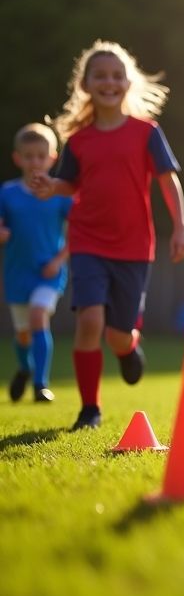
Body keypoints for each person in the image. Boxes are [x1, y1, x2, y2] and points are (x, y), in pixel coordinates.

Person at [32, 40, 184, 431]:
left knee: (118, 335)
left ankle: (128, 348)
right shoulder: (80, 140)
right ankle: (90, 409)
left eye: (117, 75)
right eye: (100, 76)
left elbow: (168, 181)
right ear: (85, 84)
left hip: (134, 246)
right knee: (90, 321)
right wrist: (51, 187)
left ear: (129, 83)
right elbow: (69, 184)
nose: (109, 82)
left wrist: (181, 227)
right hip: (88, 240)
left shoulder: (147, 132)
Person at [0, 124, 72, 403]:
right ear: (17, 158)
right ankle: (24, 367)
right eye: (28, 156)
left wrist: (59, 260)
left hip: (49, 273)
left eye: (41, 156)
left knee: (38, 316)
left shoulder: (60, 194)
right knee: (22, 333)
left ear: (52, 157)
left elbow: (79, 231)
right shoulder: (7, 193)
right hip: (18, 273)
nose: (35, 162)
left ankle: (41, 384)